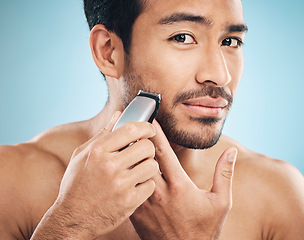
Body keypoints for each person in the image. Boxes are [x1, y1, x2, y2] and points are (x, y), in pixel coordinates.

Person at [0, 0, 303, 239]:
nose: (219, 75)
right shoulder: (12, 183)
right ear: (109, 52)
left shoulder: (280, 196)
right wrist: (68, 226)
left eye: (231, 41)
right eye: (183, 37)